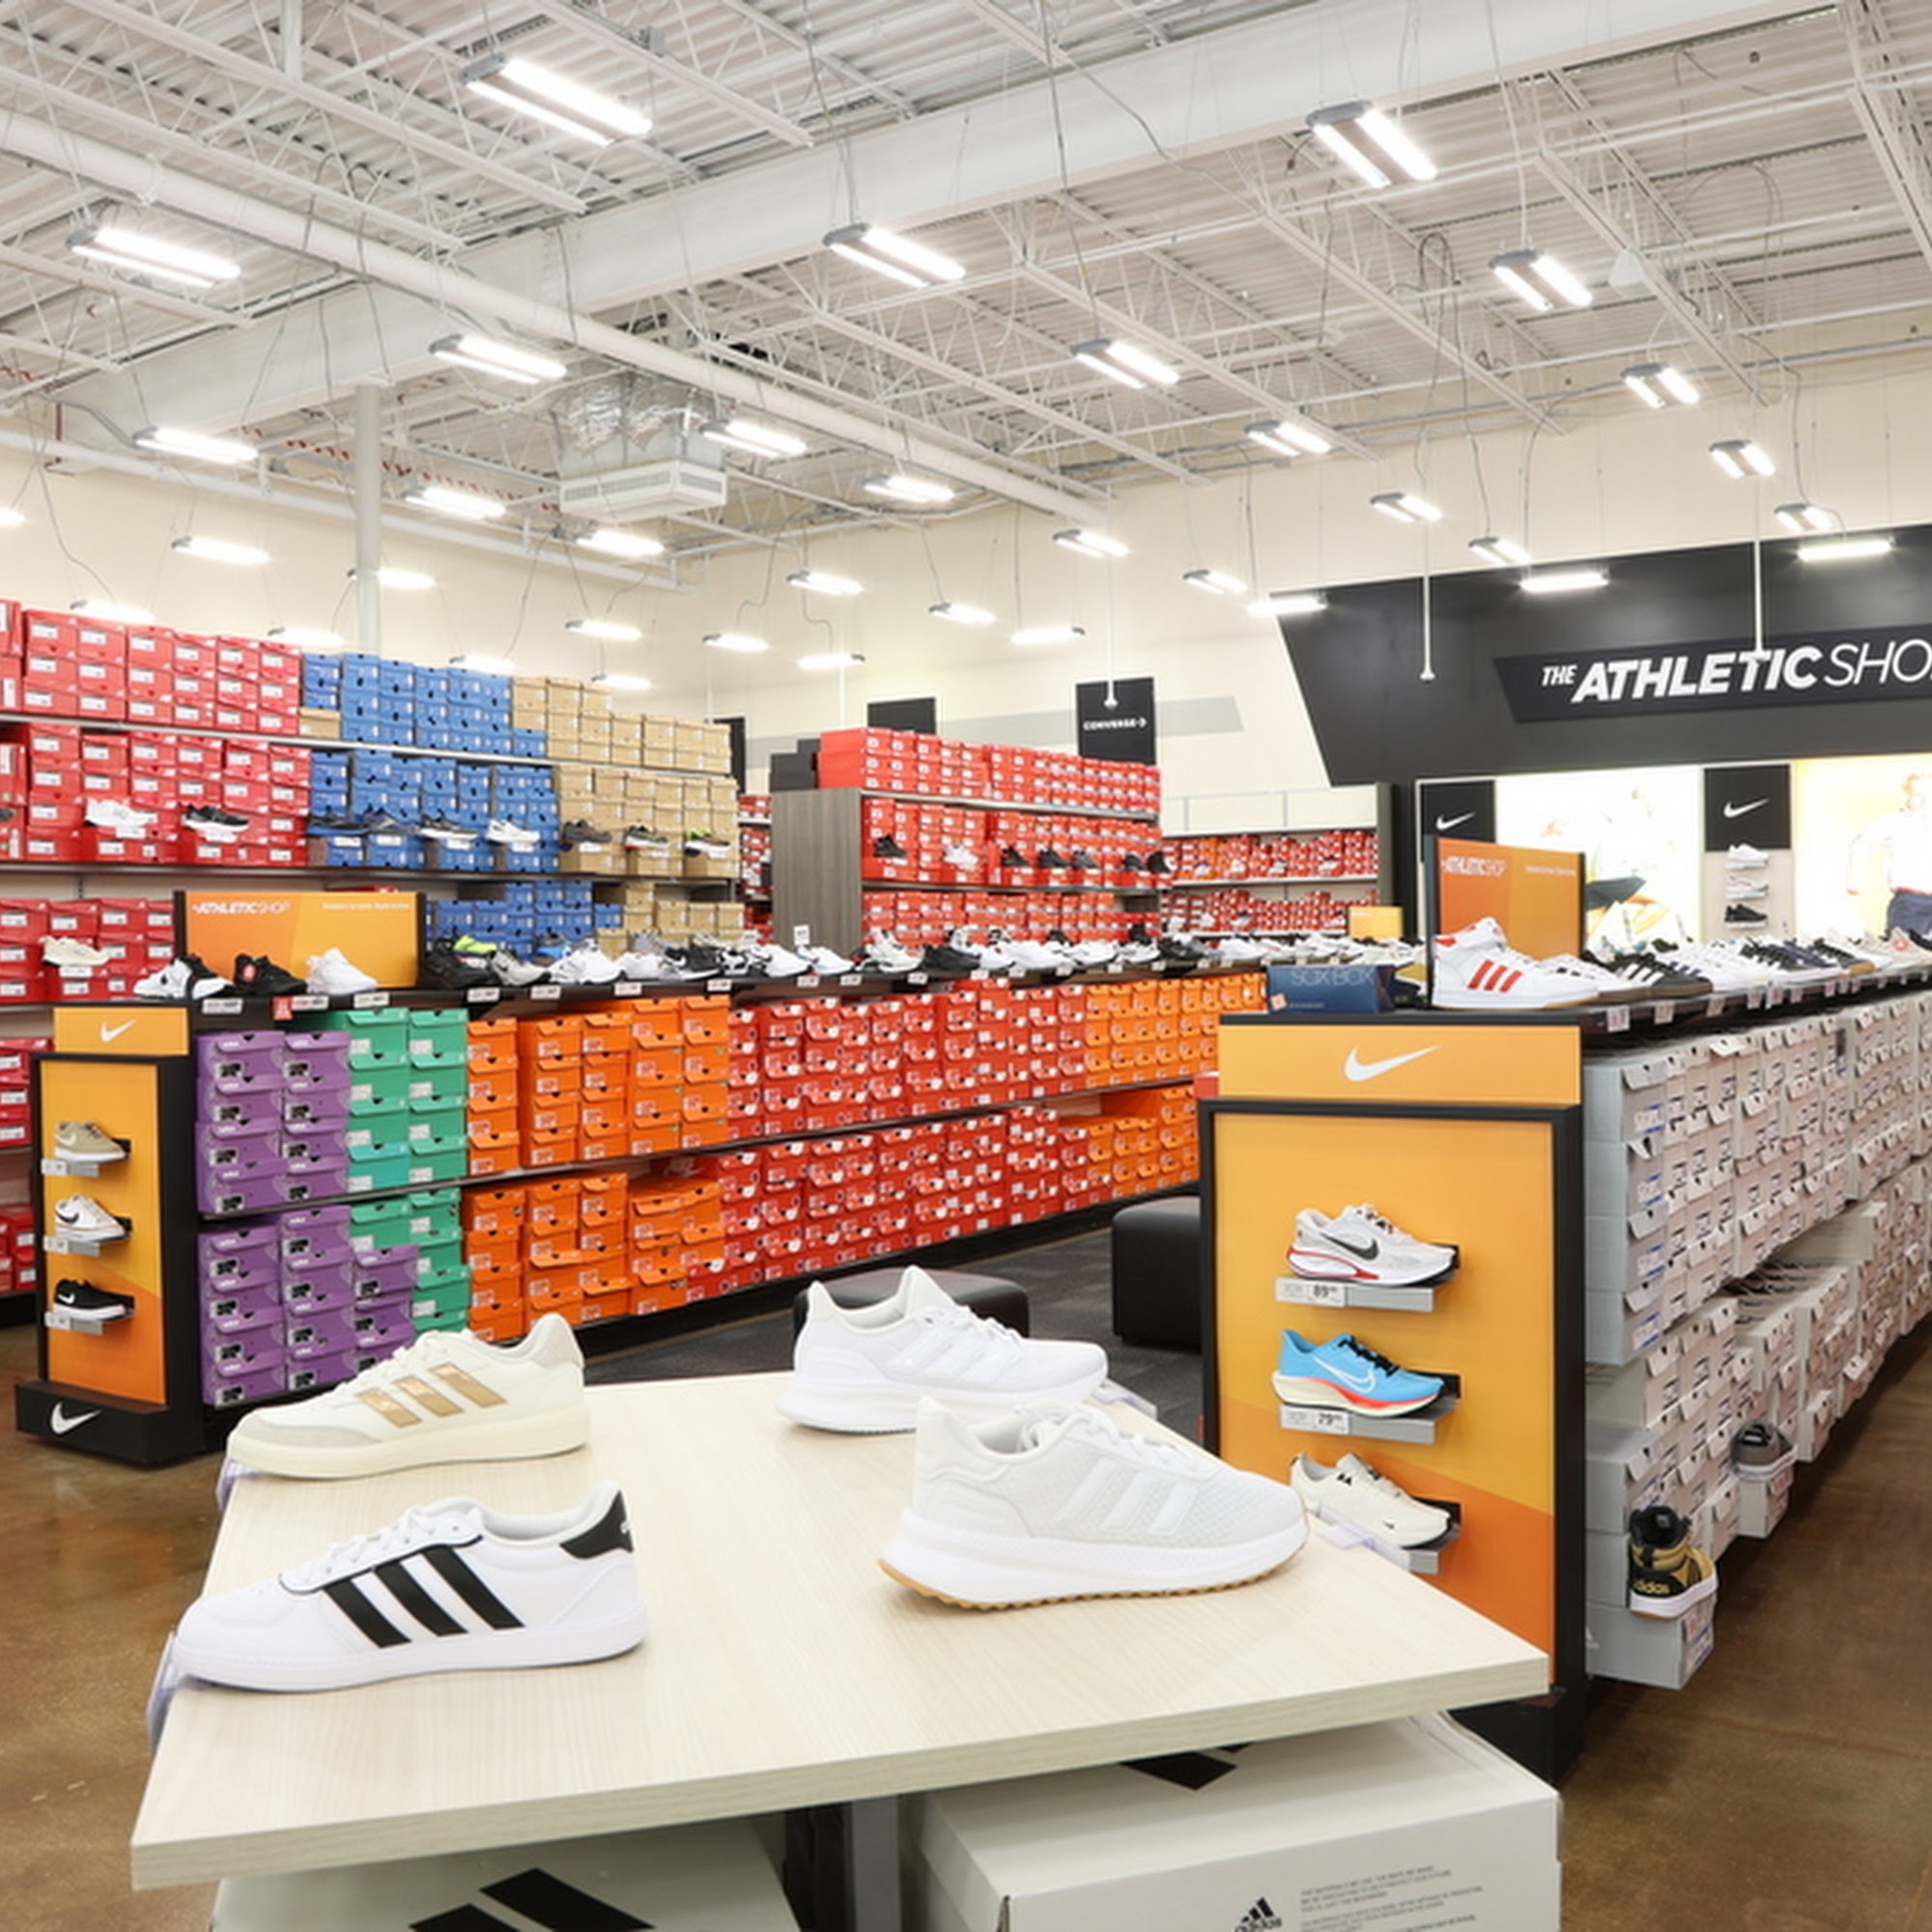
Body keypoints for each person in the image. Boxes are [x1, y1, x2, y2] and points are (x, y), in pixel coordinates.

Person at [1845, 772, 1932, 937]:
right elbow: (1861, 846)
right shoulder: (1893, 822)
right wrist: (1853, 880)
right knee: (1905, 948)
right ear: (1907, 795)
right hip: (1912, 900)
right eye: (1918, 795)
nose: (1925, 801)